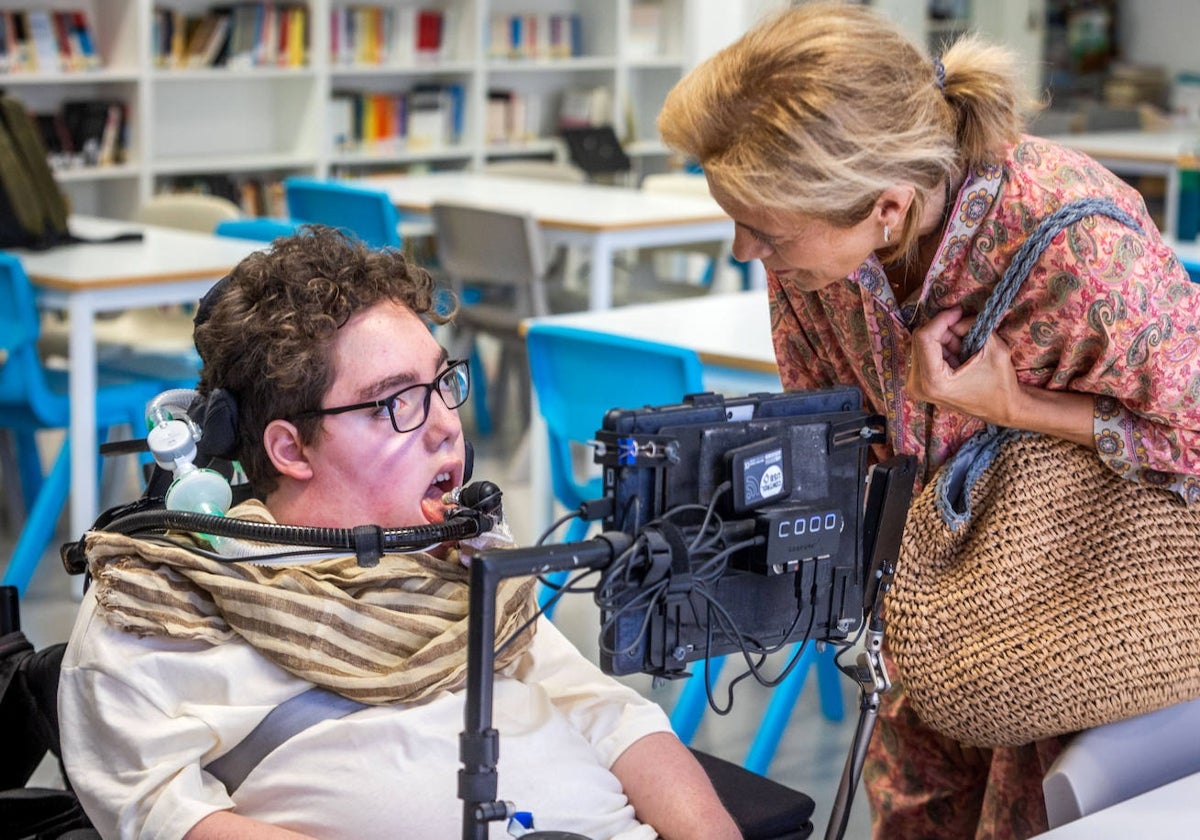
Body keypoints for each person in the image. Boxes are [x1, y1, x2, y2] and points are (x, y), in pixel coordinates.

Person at [656, 3, 1200, 839]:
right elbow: (837, 424)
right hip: (927, 613)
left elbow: (1191, 435)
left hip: (1084, 612)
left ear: (886, 207)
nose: (741, 250)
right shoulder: (810, 251)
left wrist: (1010, 405)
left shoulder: (1081, 246)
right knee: (913, 813)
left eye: (760, 231)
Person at [58, 226, 742, 840]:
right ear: (291, 448)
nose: (447, 424)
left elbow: (612, 717)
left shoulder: (467, 562)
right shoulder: (163, 605)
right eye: (397, 402)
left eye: (444, 382)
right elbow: (163, 816)